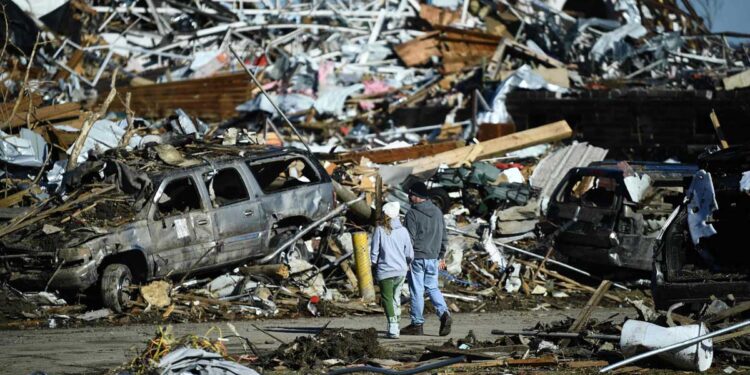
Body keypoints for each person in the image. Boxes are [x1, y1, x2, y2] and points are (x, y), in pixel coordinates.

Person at [401, 181, 452, 336]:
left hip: (417, 257)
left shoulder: (412, 214)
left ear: (417, 196)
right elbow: (444, 236)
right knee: (432, 287)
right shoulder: (437, 212)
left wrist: (406, 259)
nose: (409, 197)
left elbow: (409, 239)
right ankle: (444, 313)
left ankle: (417, 324)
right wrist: (441, 256)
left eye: (411, 194)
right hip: (433, 257)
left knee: (416, 290)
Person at [370, 201, 414, 339]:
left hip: (385, 271)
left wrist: (373, 264)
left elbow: (374, 252)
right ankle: (396, 324)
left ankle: (393, 326)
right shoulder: (403, 231)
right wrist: (406, 263)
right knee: (395, 297)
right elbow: (409, 254)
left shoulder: (379, 230)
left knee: (387, 299)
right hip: (401, 270)